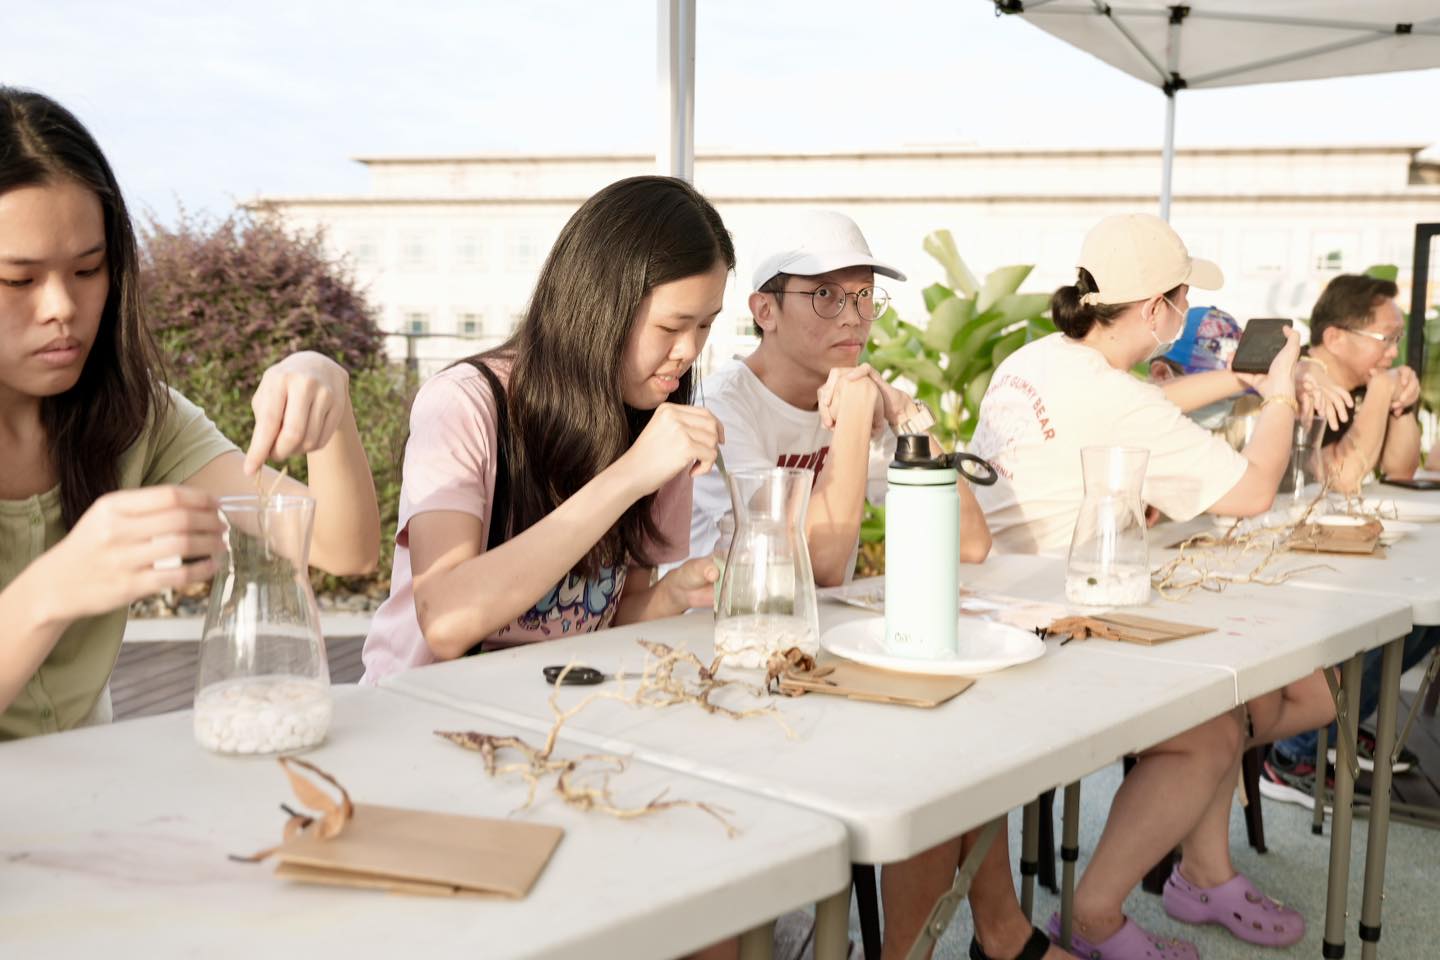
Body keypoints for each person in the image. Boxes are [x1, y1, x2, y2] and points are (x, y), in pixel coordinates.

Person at [695, 213, 1062, 960]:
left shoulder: (862, 399)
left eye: (864, 298)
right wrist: (856, 426)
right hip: (721, 661)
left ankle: (983, 940)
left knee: (953, 717)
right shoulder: (727, 407)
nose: (854, 317)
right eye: (825, 296)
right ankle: (992, 941)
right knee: (924, 737)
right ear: (764, 310)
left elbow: (970, 543)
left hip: (818, 650)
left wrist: (914, 422)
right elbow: (817, 569)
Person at [971, 213, 1338, 957]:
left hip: (999, 603)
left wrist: (1236, 379)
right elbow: (1254, 490)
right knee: (1219, 725)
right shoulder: (1119, 398)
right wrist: (1277, 395)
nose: (1182, 312)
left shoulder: (1040, 359)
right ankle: (1098, 913)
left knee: (1249, 699)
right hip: (1053, 625)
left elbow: (1141, 406)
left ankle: (1201, 872)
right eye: (1180, 299)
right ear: (1153, 311)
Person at [0, 88, 381, 737]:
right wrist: (51, 592)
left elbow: (342, 548)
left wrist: (327, 388)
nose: (62, 306)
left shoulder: (134, 418)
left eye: (89, 269)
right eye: (18, 279)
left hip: (84, 786)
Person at [360, 175, 732, 682]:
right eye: (671, 326)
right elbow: (445, 622)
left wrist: (671, 595)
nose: (690, 351)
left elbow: (604, 619)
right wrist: (629, 476)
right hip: (418, 712)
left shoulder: (653, 413)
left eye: (706, 325)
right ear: (601, 307)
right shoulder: (466, 404)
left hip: (553, 712)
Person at [1263, 274, 1435, 802]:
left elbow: (1401, 470)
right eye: (1386, 337)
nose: (1394, 350)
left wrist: (1400, 404)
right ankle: (1294, 747)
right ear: (1336, 337)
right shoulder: (1305, 380)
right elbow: (1344, 477)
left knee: (1426, 616)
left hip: (1324, 545)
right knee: (1400, 613)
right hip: (1274, 556)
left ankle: (1335, 717)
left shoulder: (1363, 387)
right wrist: (1383, 389)